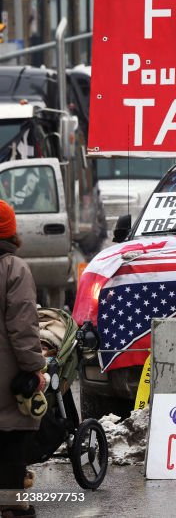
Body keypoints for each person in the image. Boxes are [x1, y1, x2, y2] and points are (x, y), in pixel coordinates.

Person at [0, 199, 47, 518]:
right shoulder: (13, 268)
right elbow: (23, 327)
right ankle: (12, 505)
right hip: (6, 376)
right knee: (11, 446)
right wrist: (35, 368)